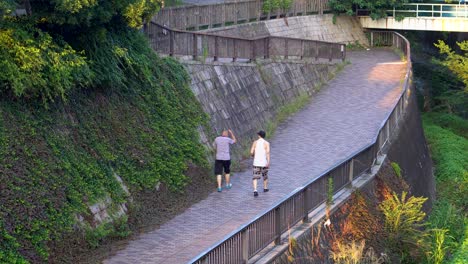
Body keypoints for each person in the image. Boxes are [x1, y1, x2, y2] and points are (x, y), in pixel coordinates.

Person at [250, 130, 270, 197]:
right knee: (265, 176)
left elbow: (251, 152)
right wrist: (268, 162)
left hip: (256, 162)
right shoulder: (266, 143)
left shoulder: (255, 142)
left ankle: (255, 190)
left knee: (255, 177)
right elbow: (267, 153)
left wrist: (253, 156)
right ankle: (265, 188)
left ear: (259, 135)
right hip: (264, 162)